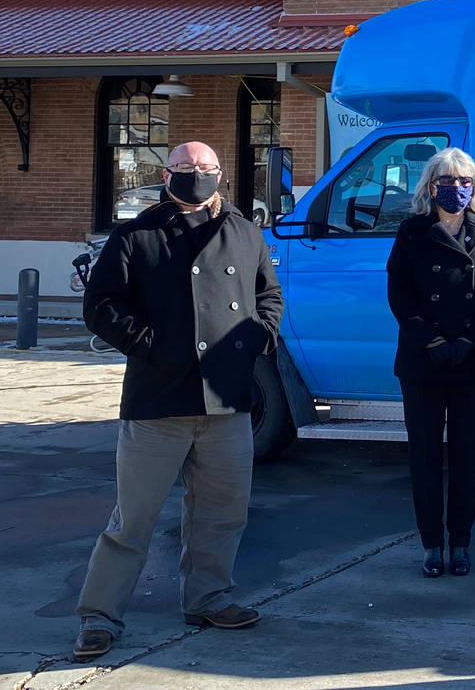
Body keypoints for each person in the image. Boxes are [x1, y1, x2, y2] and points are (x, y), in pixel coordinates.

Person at [73, 141, 283, 661]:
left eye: (207, 168)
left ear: (222, 175)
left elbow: (269, 297)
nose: (197, 175)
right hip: (157, 402)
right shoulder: (134, 236)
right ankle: (98, 617)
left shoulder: (244, 231)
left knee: (223, 512)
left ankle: (209, 598)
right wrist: (152, 346)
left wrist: (256, 340)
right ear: (166, 174)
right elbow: (101, 307)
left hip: (226, 401)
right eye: (187, 168)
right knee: (133, 520)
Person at [385, 147, 475, 579]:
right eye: (445, 180)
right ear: (430, 186)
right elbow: (399, 295)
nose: (454, 188)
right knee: (424, 456)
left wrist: (470, 340)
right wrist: (432, 339)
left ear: (474, 186)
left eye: (463, 181)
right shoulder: (411, 231)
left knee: (465, 455)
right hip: (424, 361)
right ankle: (430, 544)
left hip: (471, 360)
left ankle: (461, 542)